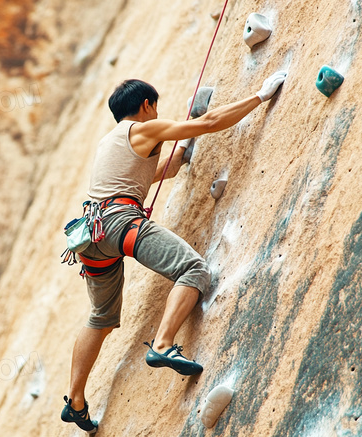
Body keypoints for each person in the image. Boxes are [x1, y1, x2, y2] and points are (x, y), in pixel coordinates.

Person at [60, 72, 287, 433]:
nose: (156, 114)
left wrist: (180, 155)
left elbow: (148, 175)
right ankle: (164, 344)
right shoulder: (141, 129)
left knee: (101, 318)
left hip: (91, 237)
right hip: (120, 224)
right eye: (155, 108)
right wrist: (259, 97)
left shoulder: (110, 143)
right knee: (193, 270)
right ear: (146, 105)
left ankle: (75, 400)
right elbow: (209, 123)